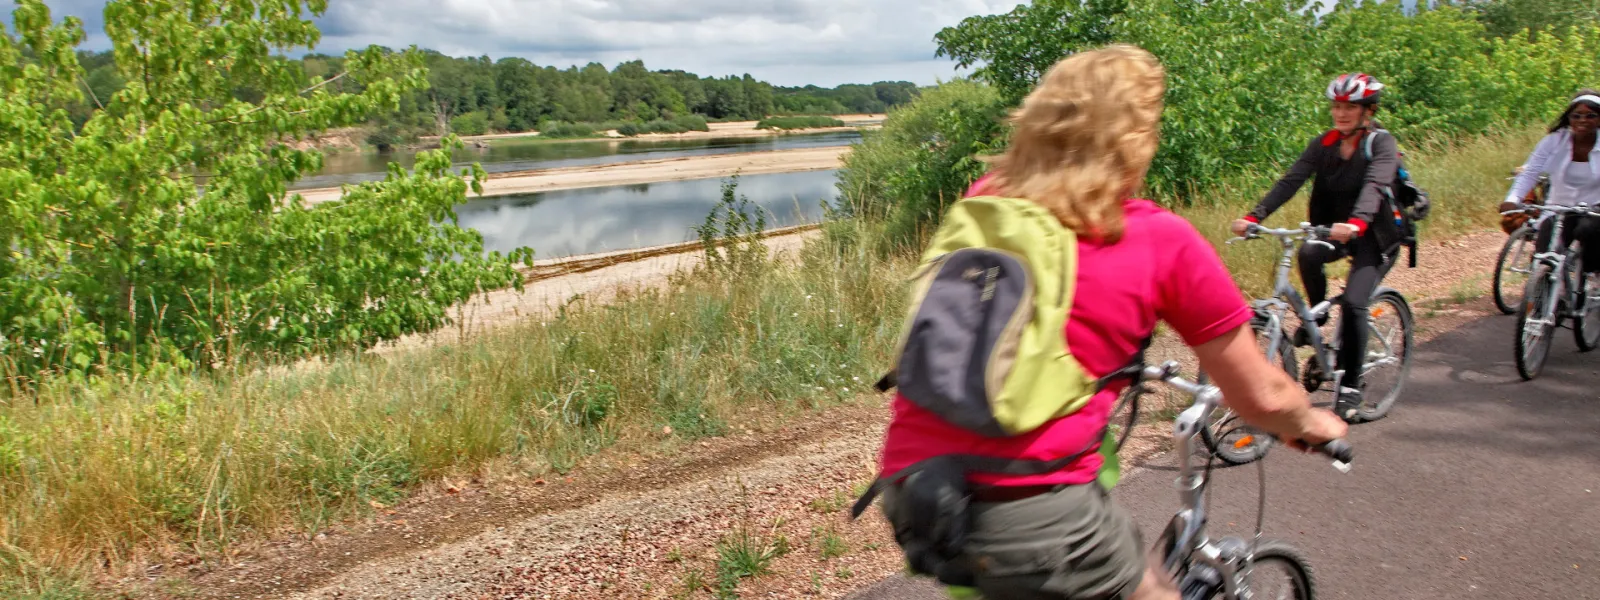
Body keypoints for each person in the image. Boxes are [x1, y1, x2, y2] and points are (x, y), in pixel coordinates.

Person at [872, 45, 1348, 600]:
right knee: (1148, 588)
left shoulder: (984, 203)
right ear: (1135, 141)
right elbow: (1261, 394)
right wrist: (1312, 423)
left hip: (915, 489)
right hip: (1032, 513)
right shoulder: (1157, 239)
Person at [1230, 73, 1402, 423]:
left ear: (1368, 110)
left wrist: (1357, 223)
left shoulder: (1381, 144)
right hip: (1330, 229)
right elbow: (1291, 180)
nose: (1341, 113)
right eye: (1337, 106)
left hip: (1374, 235)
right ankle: (1317, 317)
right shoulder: (1323, 144)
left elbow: (1375, 183)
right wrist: (1255, 215)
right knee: (1308, 254)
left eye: (1350, 107)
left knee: (1355, 302)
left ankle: (1351, 385)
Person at [1501, 90, 1600, 273]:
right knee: (1543, 254)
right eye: (1576, 115)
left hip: (1594, 210)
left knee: (1588, 232)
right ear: (1568, 118)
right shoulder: (1554, 141)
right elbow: (1531, 172)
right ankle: (1543, 295)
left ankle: (1589, 280)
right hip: (1559, 208)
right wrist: (1513, 199)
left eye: (1590, 115)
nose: (1582, 120)